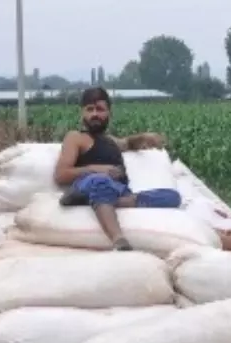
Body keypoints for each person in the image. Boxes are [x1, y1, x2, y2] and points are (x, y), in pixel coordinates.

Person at [53, 86, 181, 251]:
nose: (95, 114)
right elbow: (61, 174)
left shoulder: (110, 140)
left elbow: (127, 143)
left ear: (109, 113)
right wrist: (95, 169)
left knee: (171, 196)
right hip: (89, 183)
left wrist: (143, 137)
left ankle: (106, 201)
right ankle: (118, 240)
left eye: (100, 109)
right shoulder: (76, 137)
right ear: (82, 113)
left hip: (120, 191)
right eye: (89, 109)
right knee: (100, 181)